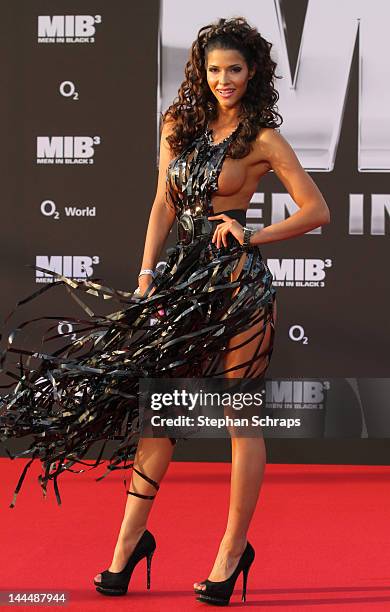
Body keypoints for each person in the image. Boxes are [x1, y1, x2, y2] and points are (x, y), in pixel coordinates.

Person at [0, 16, 330, 607]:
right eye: (213, 70)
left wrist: (251, 235)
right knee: (160, 414)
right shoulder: (178, 124)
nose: (223, 79)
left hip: (236, 289)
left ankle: (231, 554)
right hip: (181, 290)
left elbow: (317, 210)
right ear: (201, 74)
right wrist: (148, 276)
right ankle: (127, 547)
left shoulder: (263, 140)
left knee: (239, 419)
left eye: (234, 69)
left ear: (252, 73)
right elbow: (160, 205)